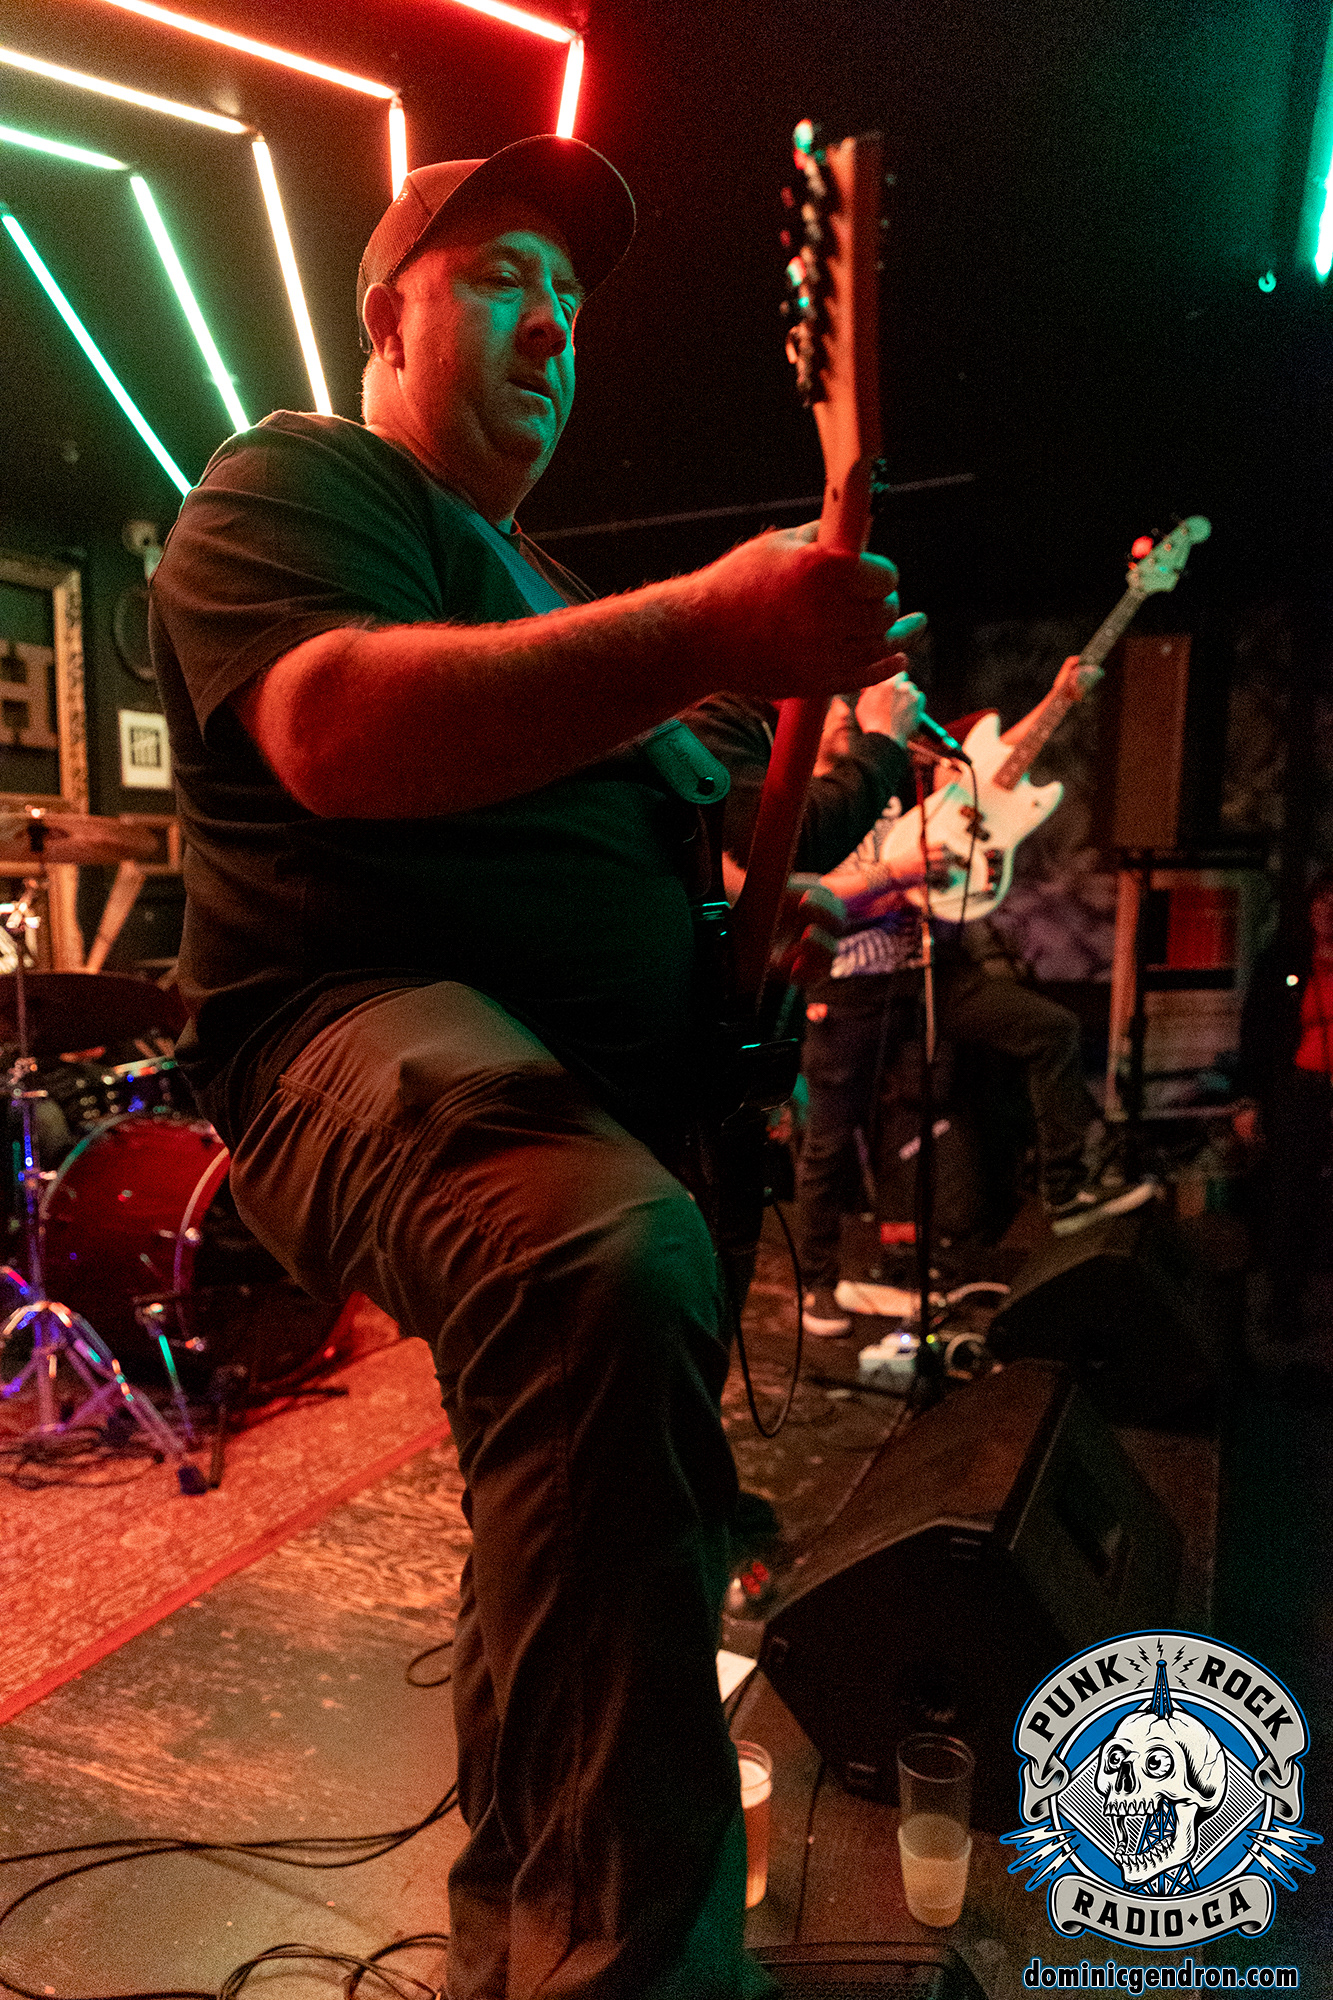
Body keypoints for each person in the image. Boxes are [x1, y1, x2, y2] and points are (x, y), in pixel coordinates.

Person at [148, 135, 927, 2000]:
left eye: (571, 297)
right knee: (598, 1259)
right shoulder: (296, 481)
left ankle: (526, 1947)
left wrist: (818, 813)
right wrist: (713, 622)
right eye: (505, 276)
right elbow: (334, 732)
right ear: (387, 315)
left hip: (607, 1085)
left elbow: (730, 817)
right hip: (343, 1029)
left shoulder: (550, 591)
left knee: (584, 1523)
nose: (555, 323)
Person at [792, 666, 1153, 1335]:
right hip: (849, 986)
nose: (842, 709)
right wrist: (895, 881)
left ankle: (1065, 1189)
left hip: (928, 970)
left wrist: (1055, 698)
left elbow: (989, 765)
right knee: (828, 1143)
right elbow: (813, 898)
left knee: (1050, 1029)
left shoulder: (891, 776)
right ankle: (816, 1283)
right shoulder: (806, 807)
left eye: (847, 702)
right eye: (830, 704)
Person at [1234, 868, 1333, 1338]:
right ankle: (1283, 1307)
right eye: (1323, 897)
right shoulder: (1284, 961)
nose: (1330, 907)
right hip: (1302, 1090)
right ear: (1310, 907)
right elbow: (1256, 1033)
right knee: (1293, 1197)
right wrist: (1248, 1099)